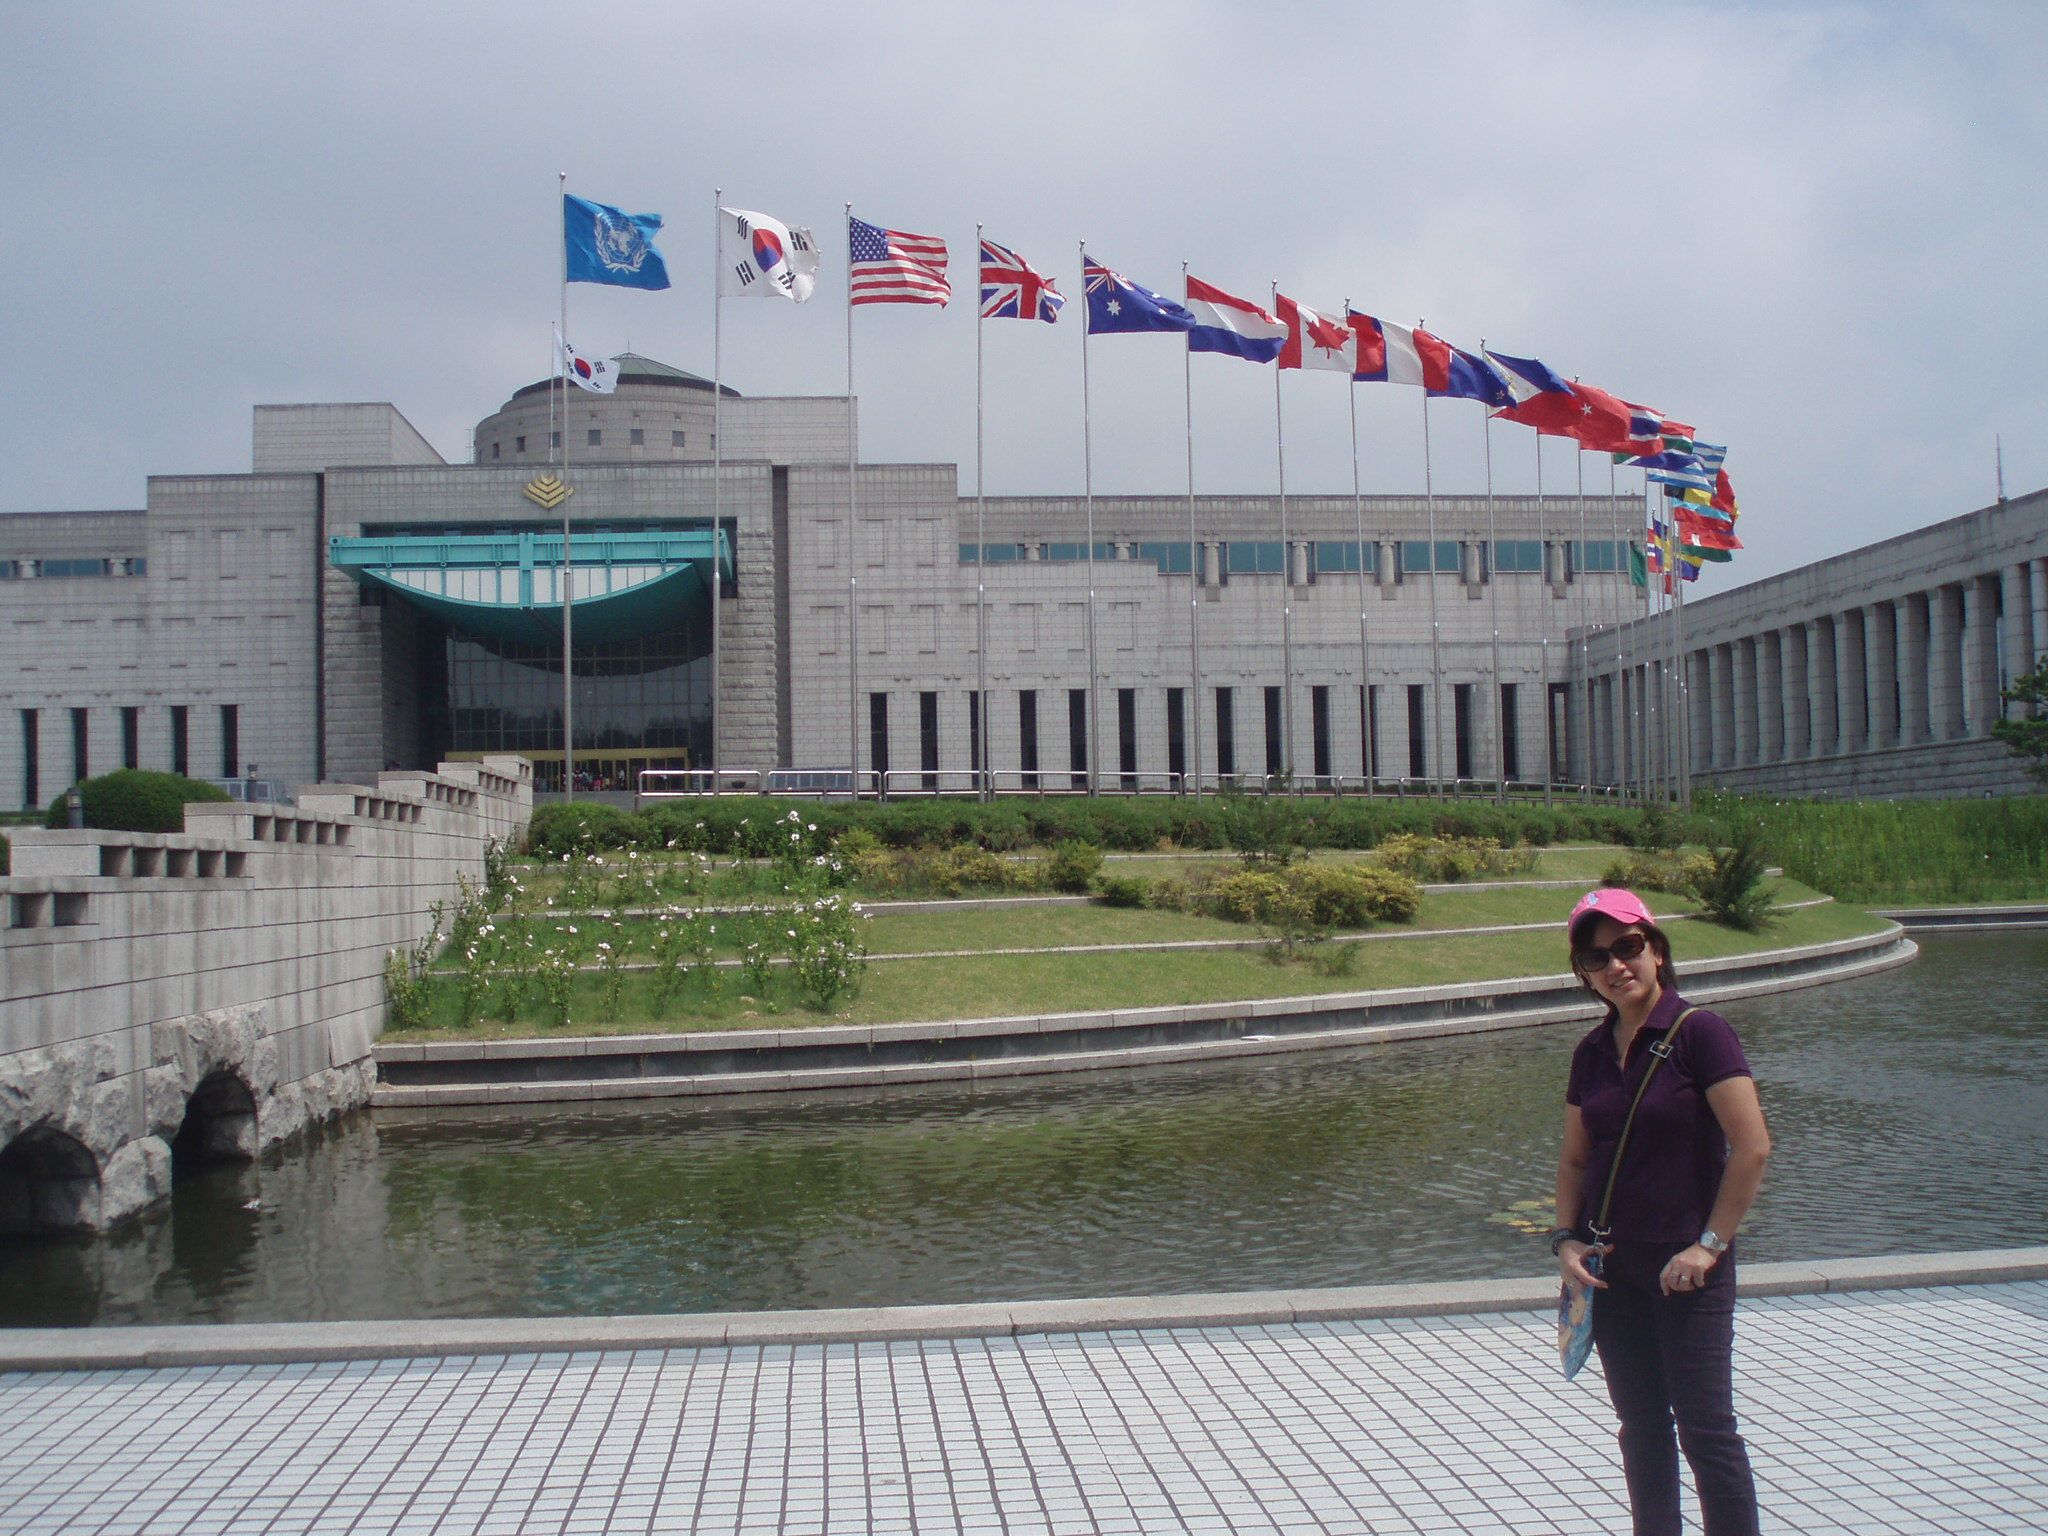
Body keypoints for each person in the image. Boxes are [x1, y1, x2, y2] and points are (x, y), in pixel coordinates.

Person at [1552, 887, 1773, 1536]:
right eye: (1597, 958)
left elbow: (1753, 1147)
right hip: (1613, 1268)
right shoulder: (1591, 1052)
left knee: (1707, 1433)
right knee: (1642, 1428)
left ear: (1656, 948)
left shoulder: (1699, 1032)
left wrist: (1709, 1245)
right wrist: (1566, 1241)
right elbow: (1573, 1161)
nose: (1616, 965)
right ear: (1584, 974)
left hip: (1687, 1269)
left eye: (1628, 946)